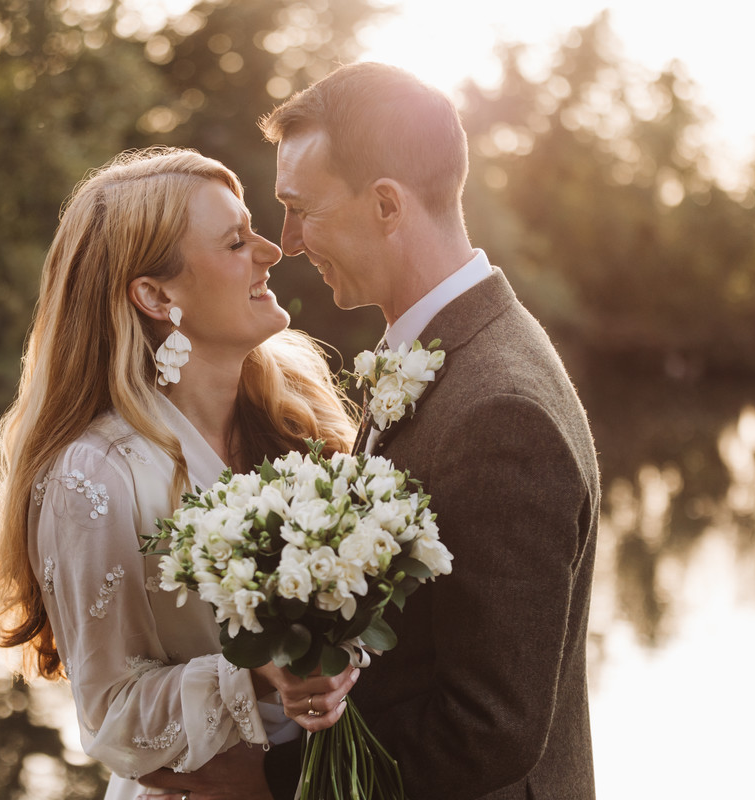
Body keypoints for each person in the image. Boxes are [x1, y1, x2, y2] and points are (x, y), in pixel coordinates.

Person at [149, 62, 601, 799]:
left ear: (387, 205)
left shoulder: (500, 411)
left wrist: (272, 782)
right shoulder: (448, 352)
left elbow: (491, 728)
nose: (288, 241)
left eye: (302, 210)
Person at [0, 147, 363, 800]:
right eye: (237, 241)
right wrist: (258, 673)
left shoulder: (303, 423)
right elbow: (111, 716)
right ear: (155, 295)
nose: (271, 251)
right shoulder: (94, 476)